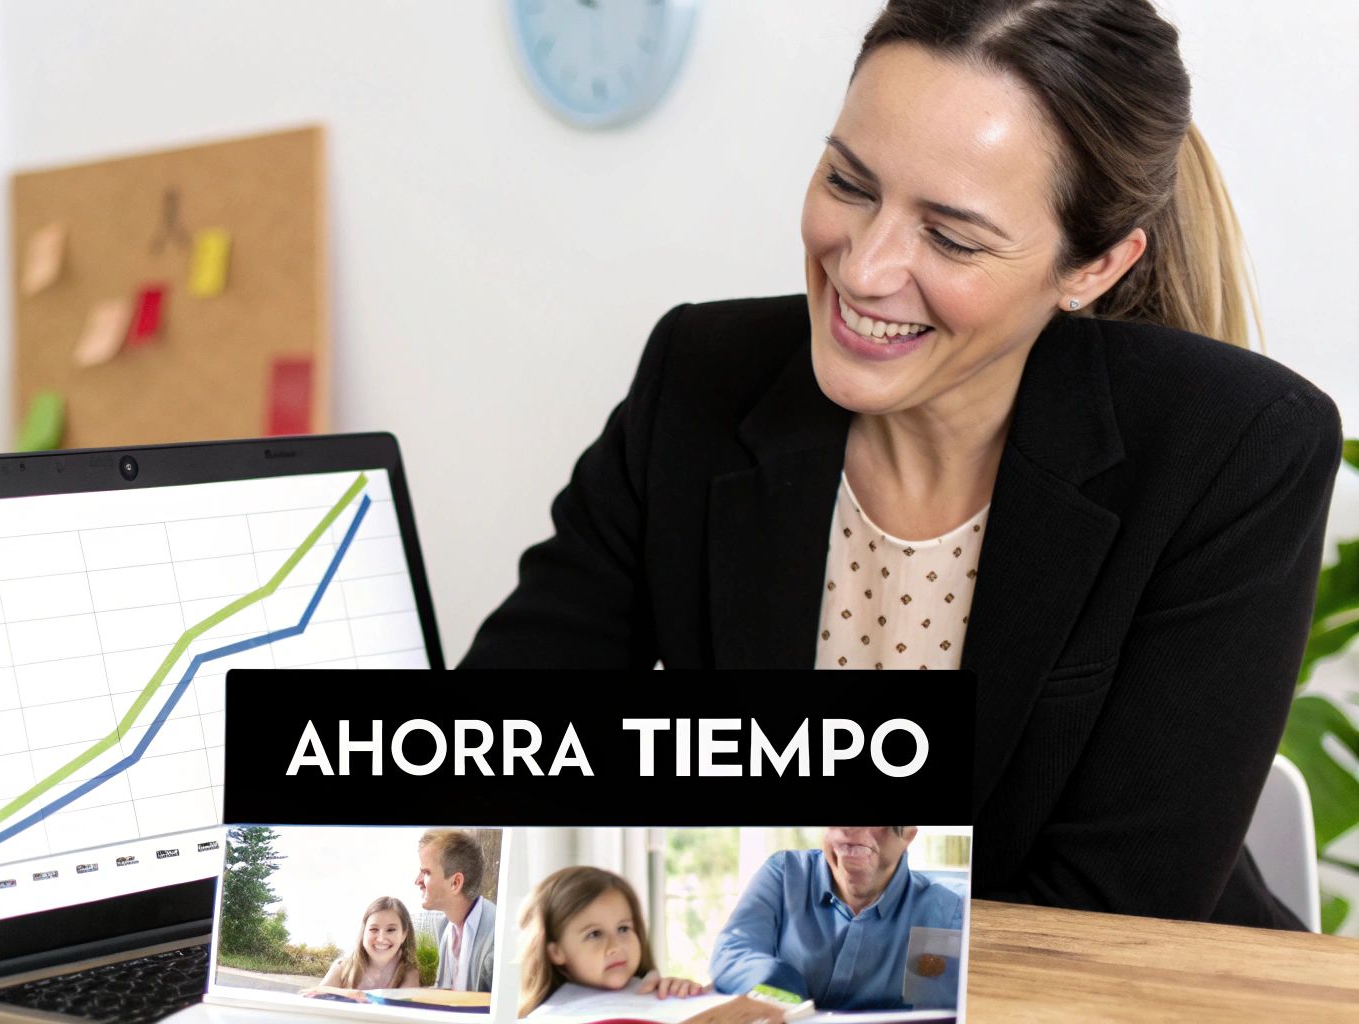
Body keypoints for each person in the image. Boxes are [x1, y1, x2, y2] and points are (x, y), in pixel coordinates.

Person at [460, 0, 1343, 931]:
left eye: (952, 237)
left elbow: (1103, 922)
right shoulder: (699, 379)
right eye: (848, 181)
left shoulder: (1236, 449)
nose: (866, 267)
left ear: (1092, 269)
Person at [711, 828, 963, 1010]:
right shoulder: (785, 873)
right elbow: (733, 951)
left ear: (908, 834)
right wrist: (784, 991)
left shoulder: (949, 910)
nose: (849, 829)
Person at [518, 866, 709, 1017]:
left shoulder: (661, 992)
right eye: (594, 934)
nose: (615, 946)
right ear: (556, 952)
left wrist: (685, 995)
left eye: (623, 929)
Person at [415, 829, 497, 992]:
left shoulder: (496, 940)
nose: (418, 881)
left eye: (426, 872)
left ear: (455, 883)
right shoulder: (444, 928)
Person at [300, 896, 423, 1002]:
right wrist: (351, 995)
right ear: (363, 932)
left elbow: (400, 1014)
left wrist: (354, 995)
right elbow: (310, 997)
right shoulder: (342, 967)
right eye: (373, 929)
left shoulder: (409, 974)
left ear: (404, 935)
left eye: (391, 930)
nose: (381, 938)